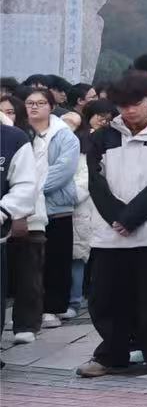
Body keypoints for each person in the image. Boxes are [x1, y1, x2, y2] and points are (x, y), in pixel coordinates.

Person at [76, 73, 147, 378]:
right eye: (123, 106)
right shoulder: (103, 137)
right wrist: (118, 217)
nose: (130, 111)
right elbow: (95, 182)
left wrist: (132, 216)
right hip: (111, 234)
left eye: (137, 104)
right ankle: (112, 353)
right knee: (106, 297)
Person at [16, 87, 76, 337]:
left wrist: (32, 189)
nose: (34, 107)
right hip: (24, 208)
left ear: (51, 106)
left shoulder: (64, 135)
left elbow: (64, 170)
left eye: (40, 103)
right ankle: (29, 311)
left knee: (56, 259)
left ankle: (54, 307)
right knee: (28, 263)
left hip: (56, 205)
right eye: (30, 103)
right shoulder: (19, 133)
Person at [2, 91, 48, 349]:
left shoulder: (25, 139)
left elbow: (33, 182)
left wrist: (14, 213)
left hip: (27, 216)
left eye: (11, 111)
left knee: (27, 274)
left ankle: (26, 324)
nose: (6, 115)